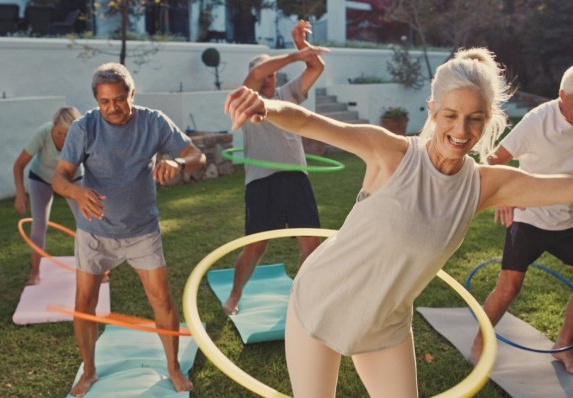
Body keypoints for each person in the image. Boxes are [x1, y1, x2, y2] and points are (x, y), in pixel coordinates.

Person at [224, 48, 573, 397]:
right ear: (432, 110)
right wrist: (266, 107)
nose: (461, 130)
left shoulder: (485, 185)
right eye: (450, 115)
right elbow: (310, 122)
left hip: (384, 326)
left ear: (489, 118)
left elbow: (563, 187)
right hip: (321, 302)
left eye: (475, 118)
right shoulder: (391, 154)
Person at [52, 62, 205, 397]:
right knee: (84, 303)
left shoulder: (154, 122)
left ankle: (173, 368)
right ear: (96, 99)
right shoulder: (84, 128)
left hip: (141, 230)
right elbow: (59, 177)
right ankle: (89, 371)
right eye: (105, 101)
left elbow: (198, 156)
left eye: (119, 99)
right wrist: (77, 192)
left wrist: (178, 163)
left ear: (131, 94)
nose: (113, 108)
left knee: (162, 299)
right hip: (94, 230)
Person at [222, 20, 329, 315]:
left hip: (295, 177)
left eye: (273, 76)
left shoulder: (288, 94)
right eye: (265, 76)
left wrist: (300, 44)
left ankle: (304, 299)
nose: (269, 80)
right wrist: (296, 57)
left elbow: (316, 68)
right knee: (256, 247)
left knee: (311, 244)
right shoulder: (246, 98)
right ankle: (233, 297)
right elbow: (256, 73)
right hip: (261, 181)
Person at [471, 65, 573, 373]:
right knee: (509, 287)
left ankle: (562, 346)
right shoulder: (538, 121)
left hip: (567, 221)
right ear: (561, 96)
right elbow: (491, 161)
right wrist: (507, 195)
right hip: (529, 218)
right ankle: (479, 344)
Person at [13, 106, 83, 285]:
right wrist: (20, 194)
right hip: (41, 179)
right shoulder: (43, 133)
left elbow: (96, 165)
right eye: (60, 133)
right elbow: (18, 165)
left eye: (69, 134)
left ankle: (94, 270)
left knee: (86, 224)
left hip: (71, 179)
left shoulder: (81, 138)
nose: (64, 138)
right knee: (38, 226)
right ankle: (35, 273)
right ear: (54, 127)